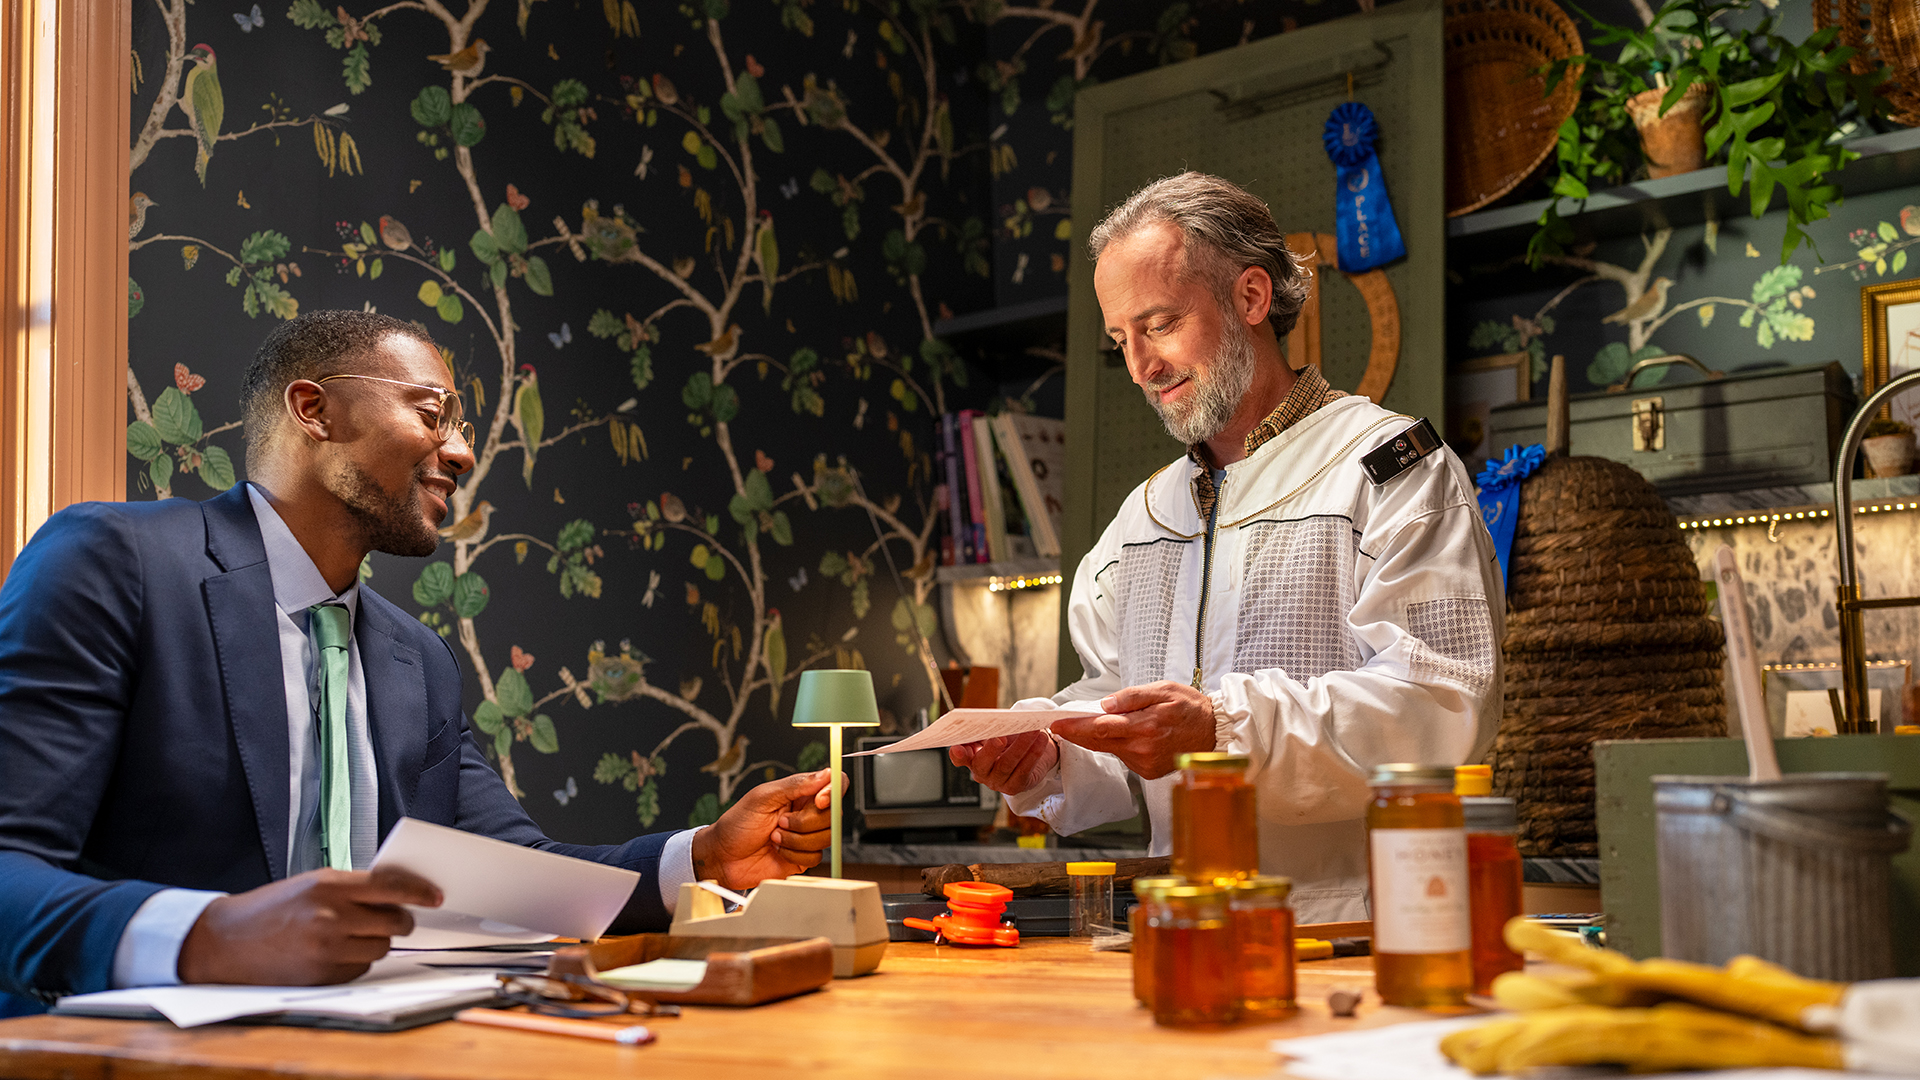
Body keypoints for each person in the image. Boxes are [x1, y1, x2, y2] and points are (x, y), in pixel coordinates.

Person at [0, 311, 836, 1014]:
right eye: (433, 413)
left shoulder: (418, 659)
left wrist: (704, 859)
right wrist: (212, 932)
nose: (463, 452)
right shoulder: (115, 562)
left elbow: (513, 878)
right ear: (314, 410)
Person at [951, 173, 1503, 923]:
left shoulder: (1393, 469)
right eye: (1123, 340)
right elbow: (1115, 717)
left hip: (1361, 932)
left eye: (1161, 322)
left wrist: (1222, 728)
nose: (1143, 368)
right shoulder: (1141, 519)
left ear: (1251, 298)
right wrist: (1049, 756)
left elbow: (1441, 705)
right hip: (1188, 932)